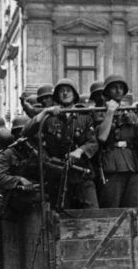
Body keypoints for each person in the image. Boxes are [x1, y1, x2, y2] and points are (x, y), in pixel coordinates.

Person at [23, 78, 99, 209]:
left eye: (68, 90)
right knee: (60, 216)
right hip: (57, 176)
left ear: (74, 94)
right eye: (61, 91)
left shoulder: (84, 116)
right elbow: (26, 131)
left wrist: (80, 151)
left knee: (92, 212)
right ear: (56, 96)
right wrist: (45, 112)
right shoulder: (48, 118)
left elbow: (93, 142)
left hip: (81, 174)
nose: (65, 93)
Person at [96, 75, 138, 208]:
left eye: (121, 88)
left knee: (132, 206)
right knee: (111, 205)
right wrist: (110, 112)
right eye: (114, 88)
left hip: (131, 163)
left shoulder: (130, 111)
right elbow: (102, 137)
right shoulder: (99, 112)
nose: (118, 91)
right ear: (107, 91)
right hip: (112, 164)